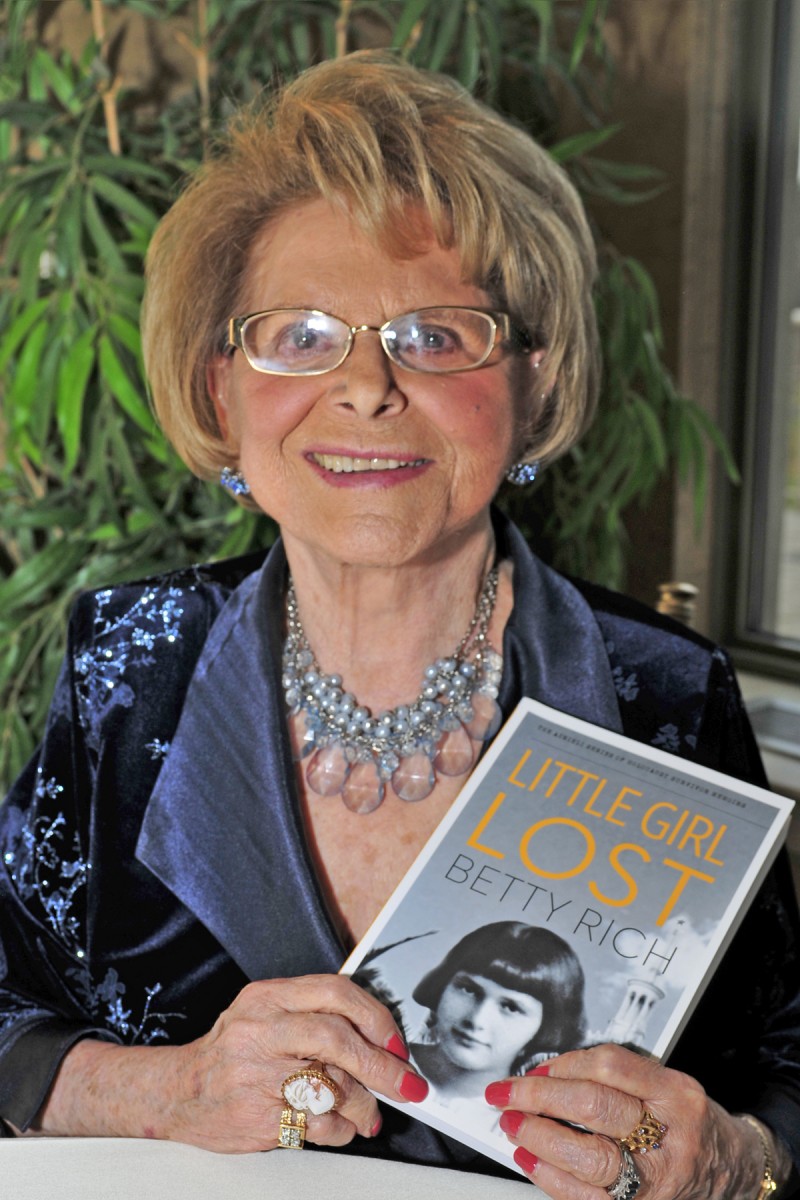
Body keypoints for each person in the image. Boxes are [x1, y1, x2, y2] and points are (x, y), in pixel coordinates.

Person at [0, 48, 798, 1199]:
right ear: (220, 388)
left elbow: (784, 1065)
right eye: (299, 335)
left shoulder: (659, 691)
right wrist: (156, 1090)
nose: (367, 387)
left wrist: (731, 1158)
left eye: (434, 335)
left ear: (531, 383)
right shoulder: (130, 664)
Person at [410, 922, 587, 1098]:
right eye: (469, 990)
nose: (477, 1020)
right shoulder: (399, 1059)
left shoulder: (536, 1111)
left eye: (511, 1007)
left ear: (544, 1027)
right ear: (443, 986)